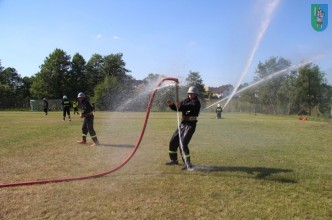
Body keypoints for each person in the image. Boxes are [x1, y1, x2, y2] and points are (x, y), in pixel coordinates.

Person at [165, 86, 201, 169]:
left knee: (183, 144)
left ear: (196, 94)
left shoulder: (196, 102)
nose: (190, 95)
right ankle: (174, 160)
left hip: (190, 125)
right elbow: (178, 108)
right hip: (183, 124)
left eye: (192, 94)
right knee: (173, 141)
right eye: (189, 94)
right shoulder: (186, 101)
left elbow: (187, 106)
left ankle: (187, 163)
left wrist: (180, 106)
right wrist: (172, 105)